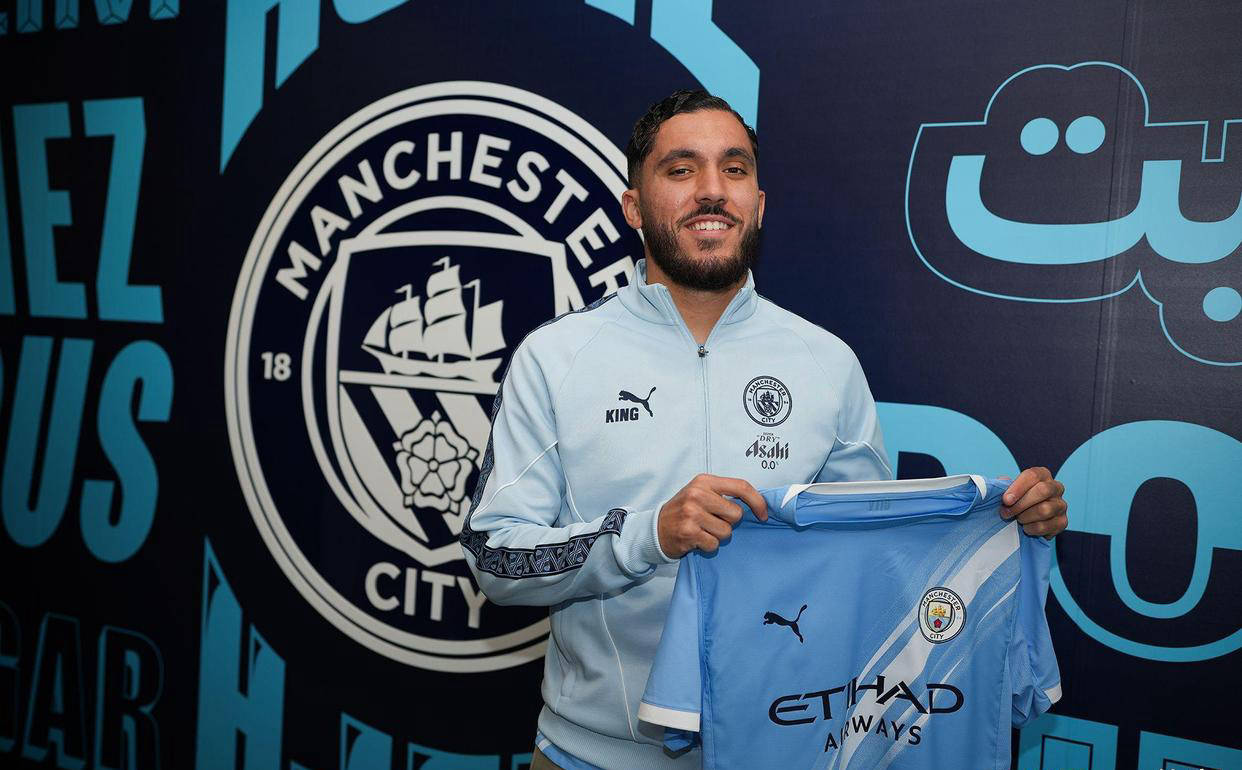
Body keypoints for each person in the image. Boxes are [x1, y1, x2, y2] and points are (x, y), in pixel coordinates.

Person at [459, 90, 1069, 770]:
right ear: (634, 207)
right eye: (681, 169)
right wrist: (650, 534)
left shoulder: (826, 362)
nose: (712, 189)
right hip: (592, 756)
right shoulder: (556, 357)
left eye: (735, 168)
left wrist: (1006, 528)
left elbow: (872, 569)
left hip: (790, 751)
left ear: (759, 204)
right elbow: (495, 558)